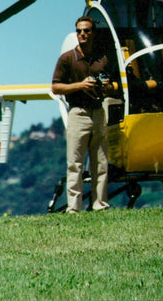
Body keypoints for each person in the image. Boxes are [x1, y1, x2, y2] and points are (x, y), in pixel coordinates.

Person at [51, 16, 112, 213]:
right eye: (79, 31)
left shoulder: (103, 58)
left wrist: (107, 86)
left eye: (86, 30)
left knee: (100, 163)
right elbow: (55, 87)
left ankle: (100, 205)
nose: (82, 34)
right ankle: (74, 208)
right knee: (75, 163)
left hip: (99, 111)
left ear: (93, 33)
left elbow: (115, 85)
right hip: (78, 113)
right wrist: (81, 85)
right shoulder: (67, 58)